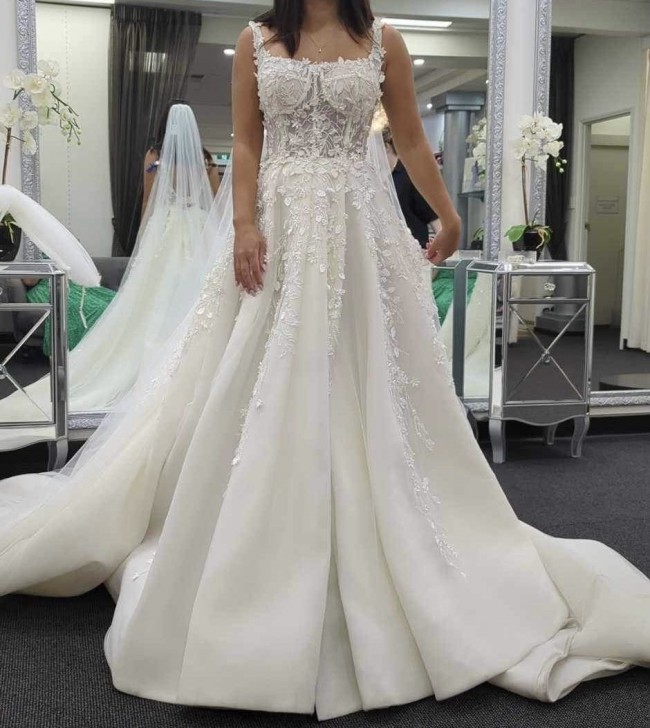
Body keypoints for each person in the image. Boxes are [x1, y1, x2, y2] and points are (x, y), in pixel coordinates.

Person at [0, 0, 648, 722]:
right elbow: (248, 143)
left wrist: (448, 212)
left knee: (367, 377)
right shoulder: (256, 39)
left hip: (359, 228)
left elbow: (410, 136)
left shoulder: (383, 40)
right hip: (278, 228)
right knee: (254, 374)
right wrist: (244, 224)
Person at [0, 102, 217, 436]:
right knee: (194, 301)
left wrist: (145, 241)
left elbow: (149, 202)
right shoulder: (205, 159)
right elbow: (214, 204)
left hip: (167, 229)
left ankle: (153, 368)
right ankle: (192, 370)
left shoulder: (155, 156)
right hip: (199, 229)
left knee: (155, 302)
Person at [383, 125, 438, 247]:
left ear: (386, 147)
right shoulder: (377, 177)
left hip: (414, 247)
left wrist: (442, 248)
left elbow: (431, 215)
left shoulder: (410, 175)